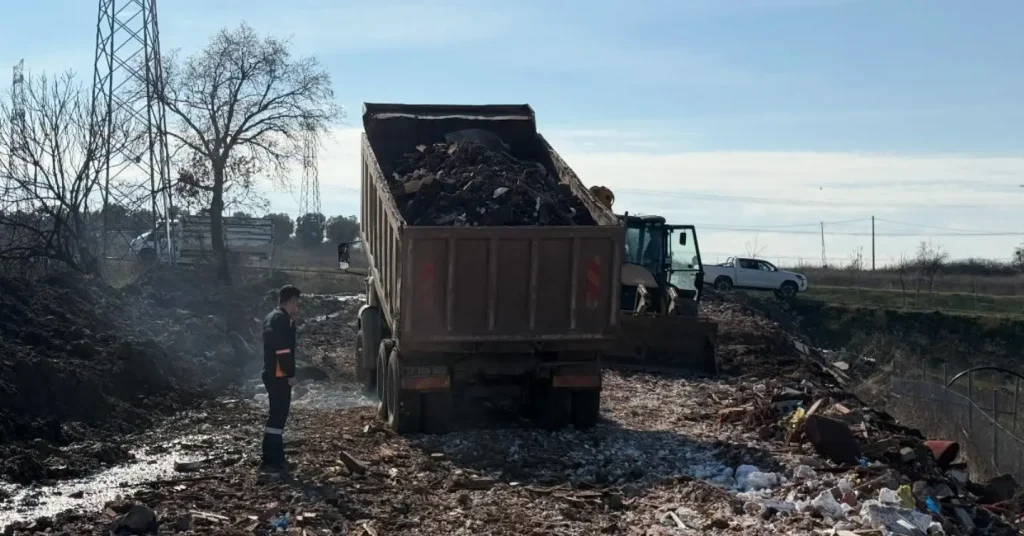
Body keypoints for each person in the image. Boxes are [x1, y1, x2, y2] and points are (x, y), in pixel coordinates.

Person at [261, 285, 300, 471]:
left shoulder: (273, 317)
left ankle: (274, 456)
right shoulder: (281, 320)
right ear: (291, 301)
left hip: (272, 373)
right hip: (279, 375)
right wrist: (291, 374)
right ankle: (272, 459)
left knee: (276, 416)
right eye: (296, 303)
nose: (297, 307)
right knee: (278, 416)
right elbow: (283, 351)